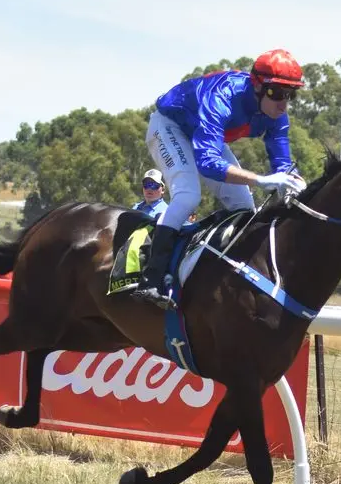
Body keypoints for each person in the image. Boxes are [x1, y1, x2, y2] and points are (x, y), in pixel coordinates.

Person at [132, 49, 309, 307]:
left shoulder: (277, 115)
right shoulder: (223, 98)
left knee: (244, 208)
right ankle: (151, 278)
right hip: (169, 126)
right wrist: (260, 180)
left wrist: (296, 184)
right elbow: (208, 164)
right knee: (188, 195)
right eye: (277, 93)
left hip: (201, 135)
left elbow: (283, 164)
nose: (284, 103)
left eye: (290, 94)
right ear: (257, 86)